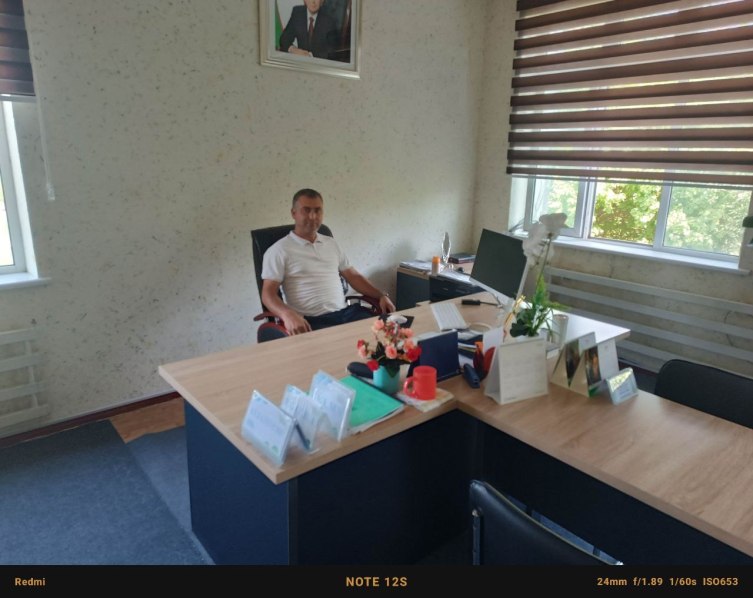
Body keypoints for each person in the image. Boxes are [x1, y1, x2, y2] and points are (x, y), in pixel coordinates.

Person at [261, 188, 396, 335]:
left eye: (317, 210)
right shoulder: (279, 251)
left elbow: (353, 276)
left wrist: (381, 295)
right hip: (312, 321)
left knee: (388, 334)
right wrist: (287, 314)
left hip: (346, 314)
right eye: (306, 210)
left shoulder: (331, 244)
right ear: (294, 213)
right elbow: (268, 294)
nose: (313, 216)